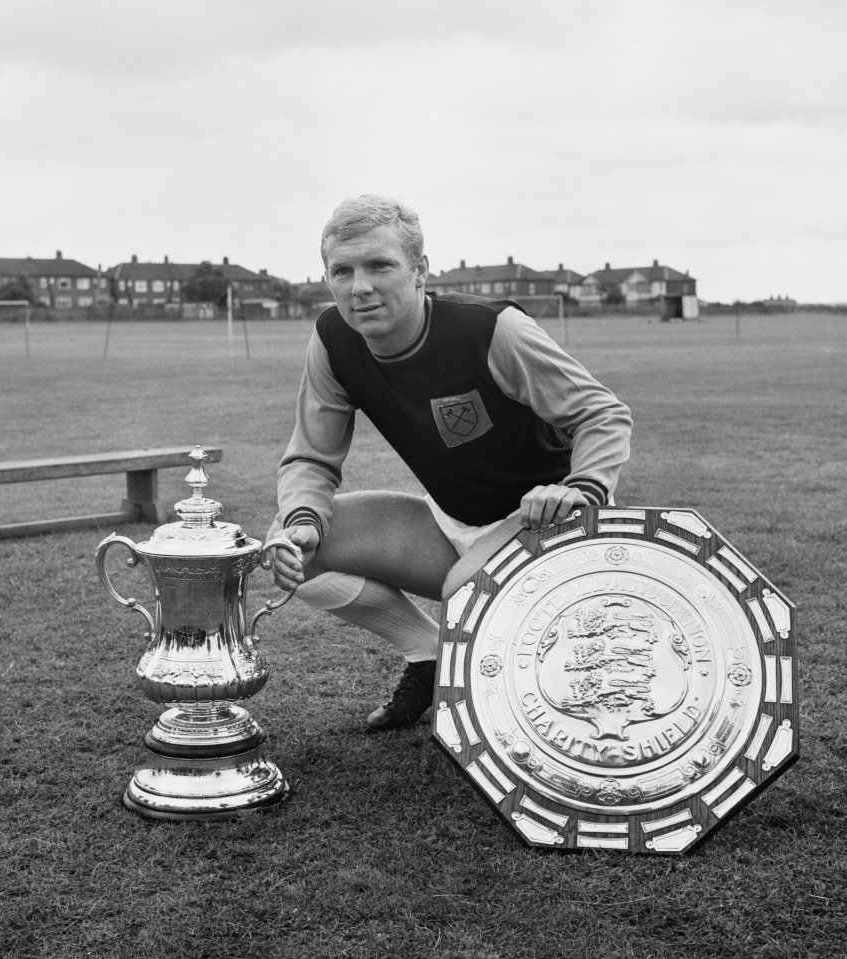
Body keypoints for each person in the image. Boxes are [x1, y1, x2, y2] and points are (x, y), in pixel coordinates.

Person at [269, 194, 632, 731]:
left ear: (420, 271)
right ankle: (430, 655)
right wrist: (302, 519)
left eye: (379, 265)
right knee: (292, 545)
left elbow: (603, 414)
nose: (359, 286)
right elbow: (310, 458)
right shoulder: (333, 340)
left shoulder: (489, 329)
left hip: (546, 521)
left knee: (470, 592)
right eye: (341, 271)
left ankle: (520, 706)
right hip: (450, 520)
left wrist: (581, 489)